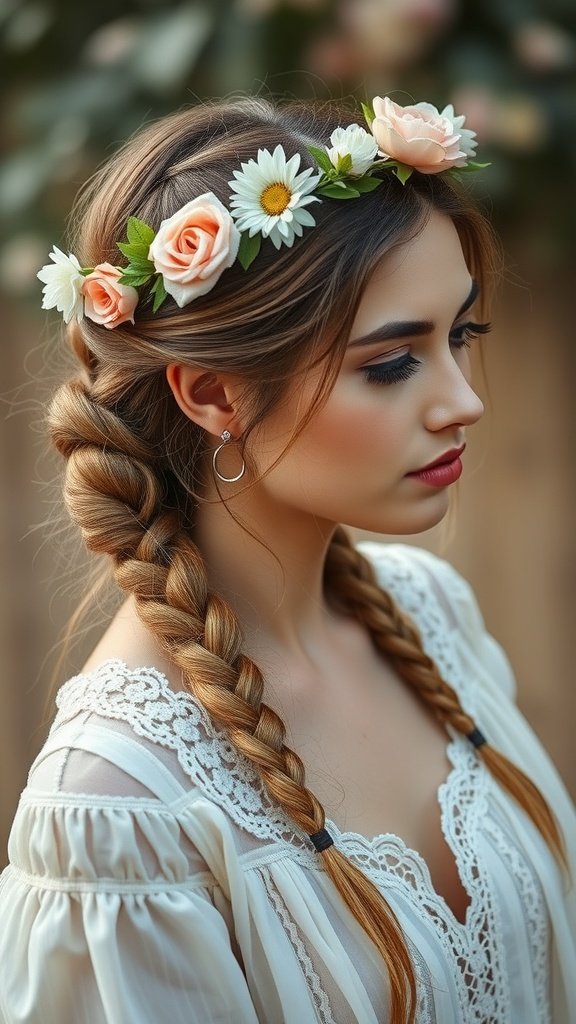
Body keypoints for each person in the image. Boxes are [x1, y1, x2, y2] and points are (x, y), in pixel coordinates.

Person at [0, 94, 574, 1024]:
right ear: (214, 393)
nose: (464, 401)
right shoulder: (118, 803)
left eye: (461, 335)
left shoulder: (431, 615)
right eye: (392, 363)